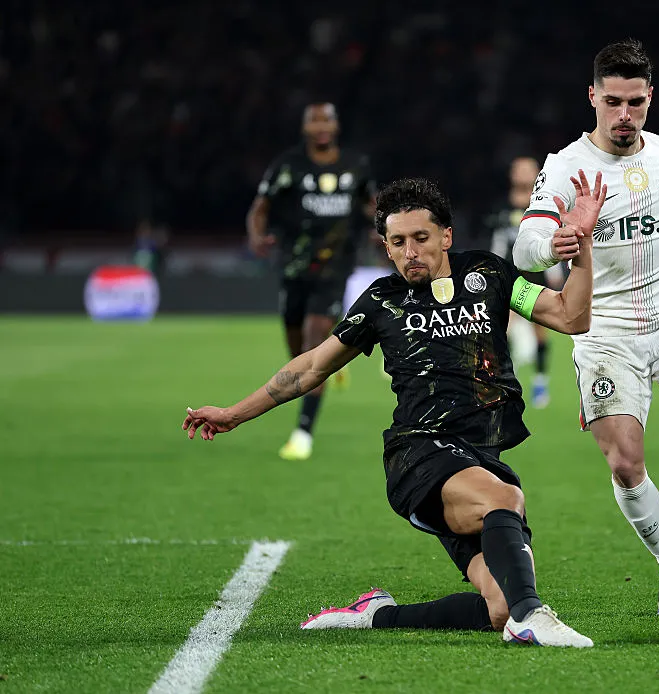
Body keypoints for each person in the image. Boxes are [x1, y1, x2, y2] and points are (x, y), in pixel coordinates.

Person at [183, 173, 607, 647]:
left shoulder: (489, 275)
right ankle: (536, 616)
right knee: (503, 499)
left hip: (479, 456)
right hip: (418, 454)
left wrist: (583, 248)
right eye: (398, 242)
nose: (410, 252)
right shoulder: (382, 300)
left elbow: (573, 316)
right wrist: (234, 414)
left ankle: (376, 615)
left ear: (446, 236)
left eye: (421, 239)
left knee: (498, 607)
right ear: (385, 246)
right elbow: (310, 367)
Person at [513, 39, 659, 580]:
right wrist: (562, 240)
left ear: (650, 98)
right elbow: (523, 247)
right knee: (625, 463)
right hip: (605, 332)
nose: (625, 115)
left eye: (636, 103)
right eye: (613, 102)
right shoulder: (567, 167)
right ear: (592, 96)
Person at [246, 102, 376, 461]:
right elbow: (260, 207)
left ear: (336, 127)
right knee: (296, 352)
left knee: (312, 345)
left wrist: (383, 227)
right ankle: (334, 362)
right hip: (294, 266)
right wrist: (257, 236)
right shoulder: (289, 166)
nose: (321, 126)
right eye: (314, 120)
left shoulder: (355, 166)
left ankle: (303, 433)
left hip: (335, 267)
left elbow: (371, 203)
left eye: (327, 120)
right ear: (305, 128)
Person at [486, 156, 562, 408]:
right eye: (518, 169)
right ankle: (510, 377)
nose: (522, 173)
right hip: (510, 274)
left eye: (528, 169)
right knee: (504, 327)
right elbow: (497, 243)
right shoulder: (502, 208)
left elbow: (553, 237)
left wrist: (555, 274)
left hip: (538, 274)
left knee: (540, 330)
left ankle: (541, 381)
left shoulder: (544, 204)